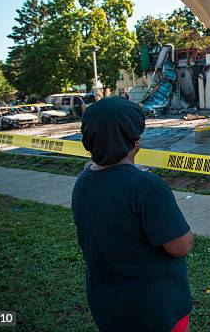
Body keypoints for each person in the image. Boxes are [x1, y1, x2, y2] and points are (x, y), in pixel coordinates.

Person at [72, 97, 194, 332]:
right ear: (136, 140)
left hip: (108, 305)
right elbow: (180, 246)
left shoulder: (83, 180)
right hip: (155, 308)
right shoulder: (148, 186)